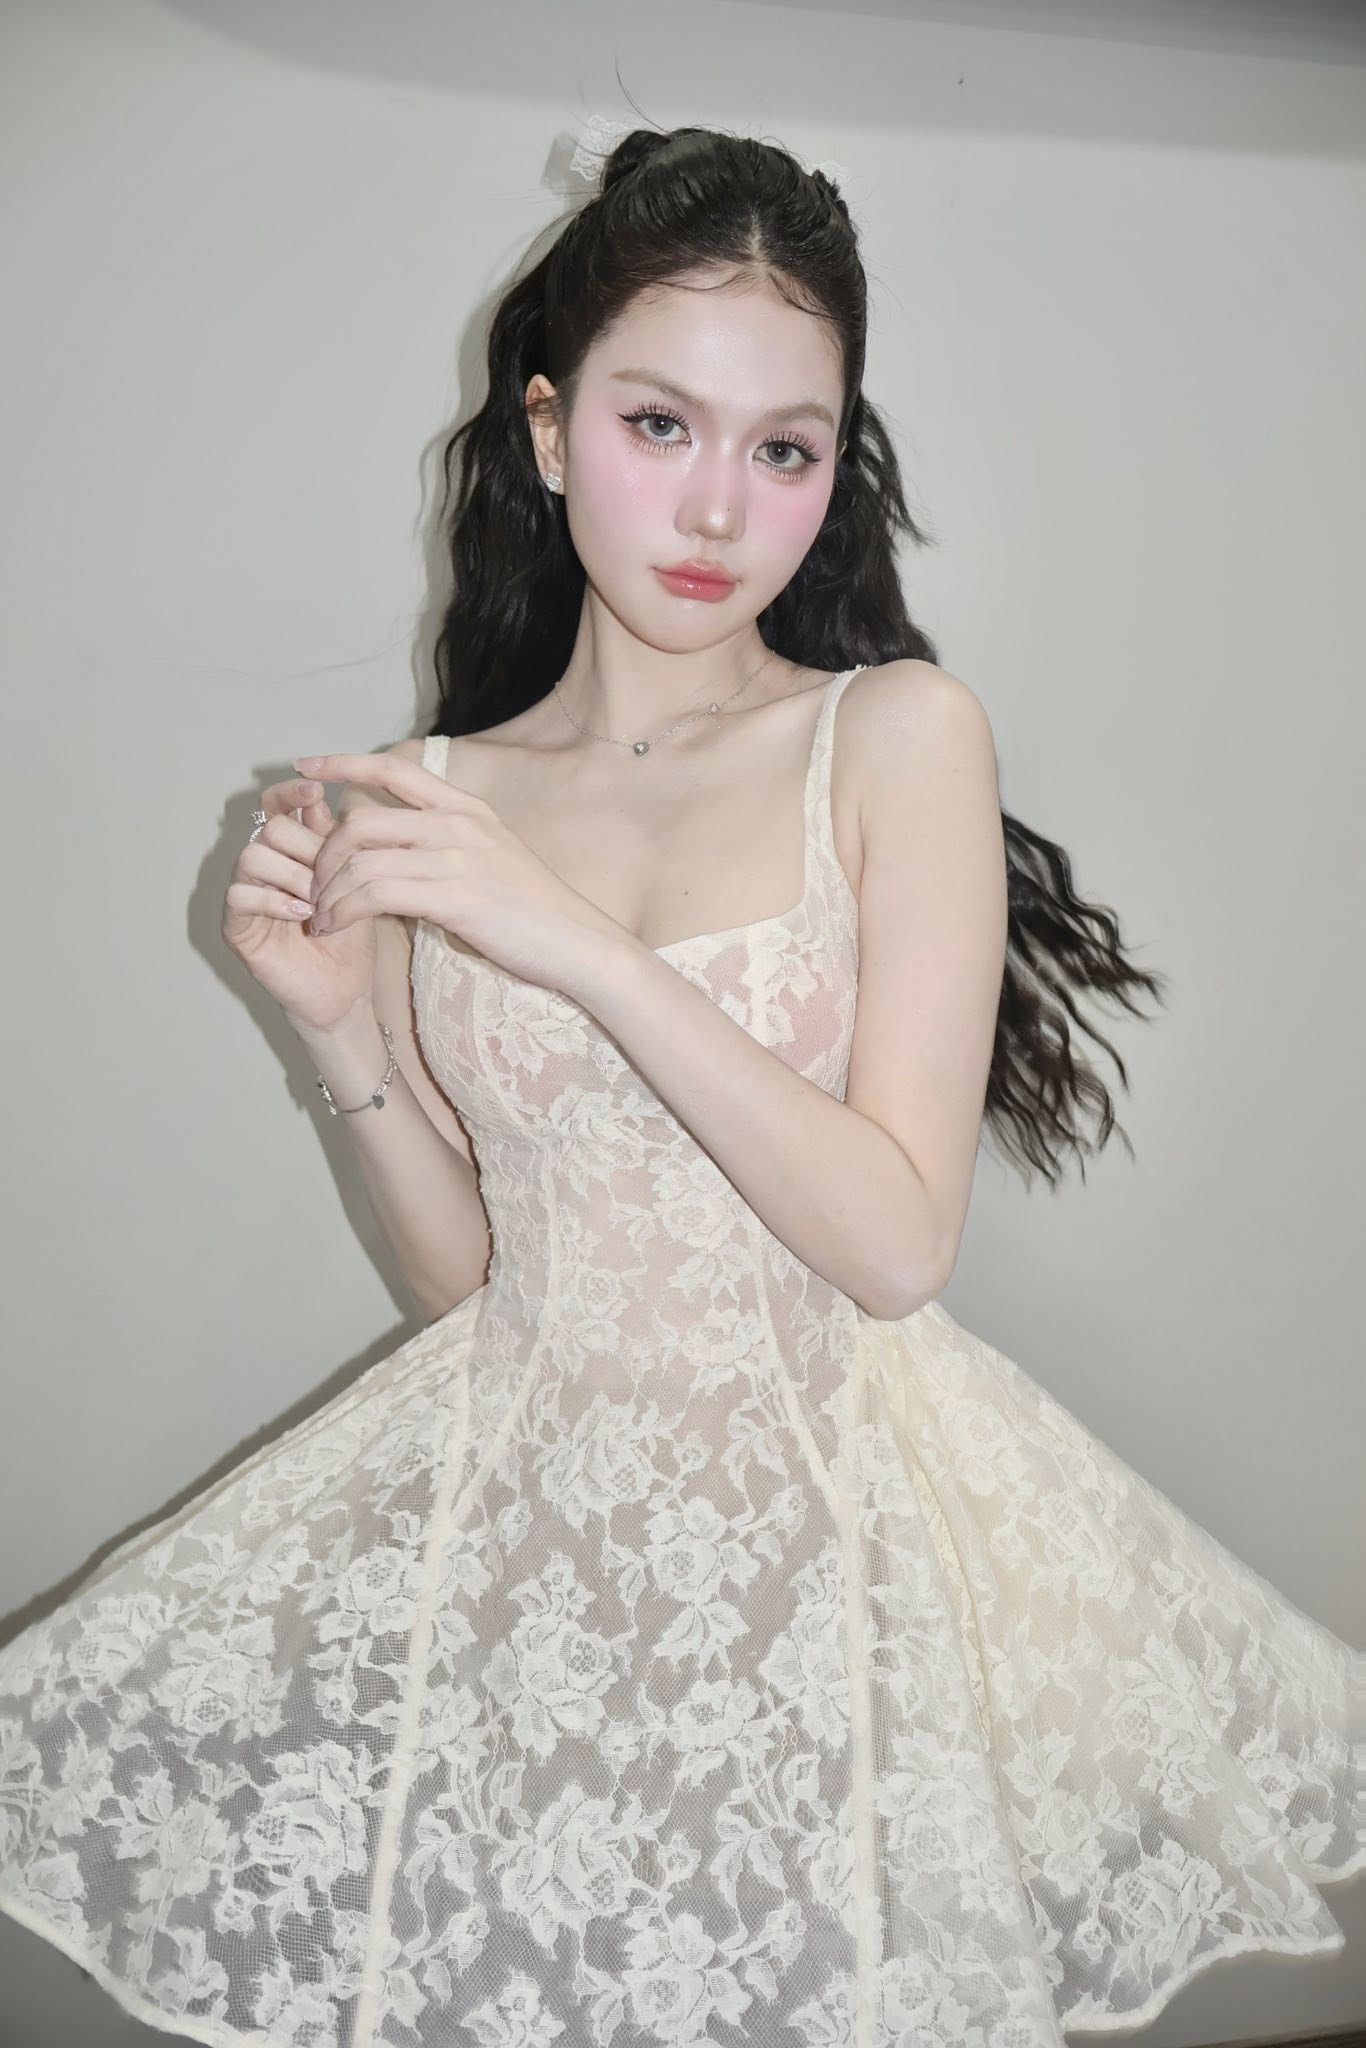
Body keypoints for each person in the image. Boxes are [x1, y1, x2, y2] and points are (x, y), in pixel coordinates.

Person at [1, 122, 1361, 2048]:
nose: (719, 506)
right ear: (551, 432)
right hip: (530, 1571)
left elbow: (894, 1245)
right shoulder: (437, 798)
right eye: (659, 424)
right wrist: (336, 1033)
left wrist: (569, 939)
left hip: (830, 1558)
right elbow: (478, 1292)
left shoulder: (895, 736)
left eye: (783, 448)